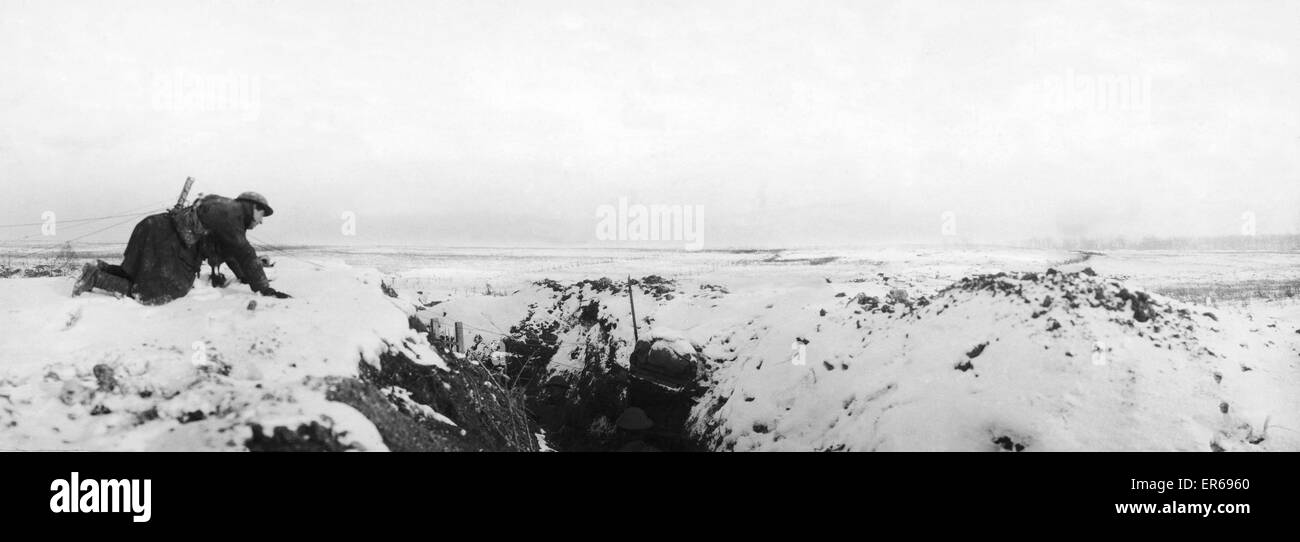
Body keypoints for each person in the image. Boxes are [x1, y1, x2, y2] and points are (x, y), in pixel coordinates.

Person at [72, 191, 291, 304]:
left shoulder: (225, 209)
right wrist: (264, 288)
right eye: (262, 214)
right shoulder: (232, 214)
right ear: (253, 206)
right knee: (162, 292)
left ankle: (99, 269)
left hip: (154, 226)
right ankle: (95, 278)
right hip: (165, 237)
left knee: (136, 271)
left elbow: (233, 251)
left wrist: (245, 277)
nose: (261, 221)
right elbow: (244, 252)